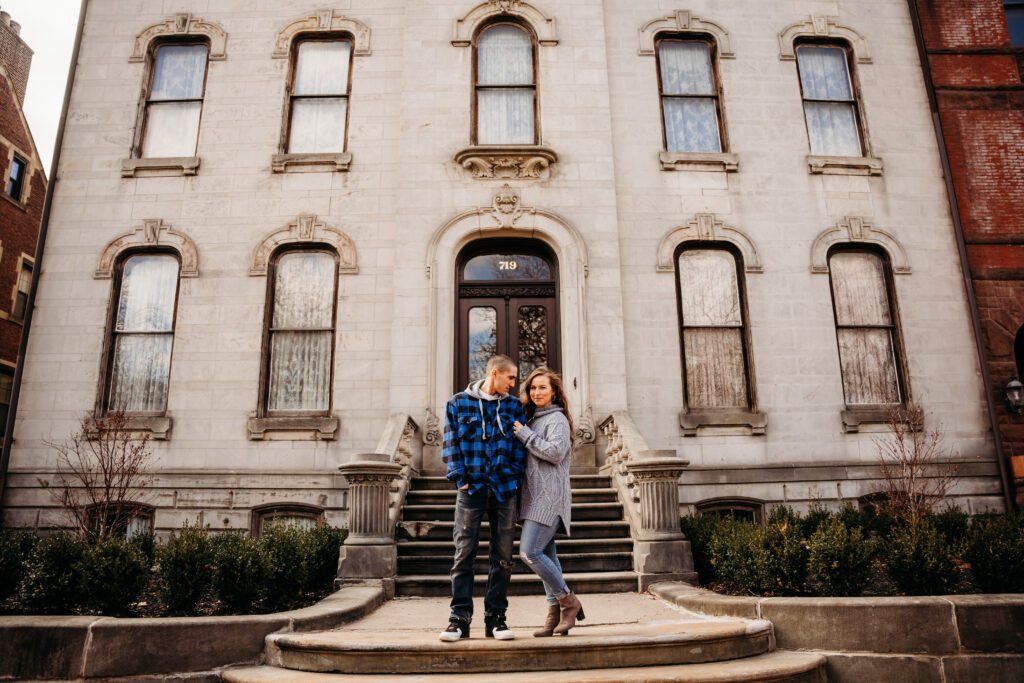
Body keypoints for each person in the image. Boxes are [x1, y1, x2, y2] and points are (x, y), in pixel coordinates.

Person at [439, 354, 526, 642]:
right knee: (463, 555)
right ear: (494, 373)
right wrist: (460, 479)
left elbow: (519, 448)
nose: (513, 384)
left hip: (504, 490)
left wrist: (513, 476)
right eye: (510, 378)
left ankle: (496, 619)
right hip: (471, 491)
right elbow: (450, 443)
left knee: (503, 557)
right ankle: (459, 620)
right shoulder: (457, 403)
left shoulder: (513, 406)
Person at [513, 367, 585, 637]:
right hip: (532, 498)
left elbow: (555, 453)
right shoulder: (531, 419)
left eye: (542, 387)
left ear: (554, 392)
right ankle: (554, 613)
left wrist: (524, 435)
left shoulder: (557, 420)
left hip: (550, 497)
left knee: (529, 552)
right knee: (548, 557)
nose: (537, 392)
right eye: (532, 388)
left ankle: (569, 602)